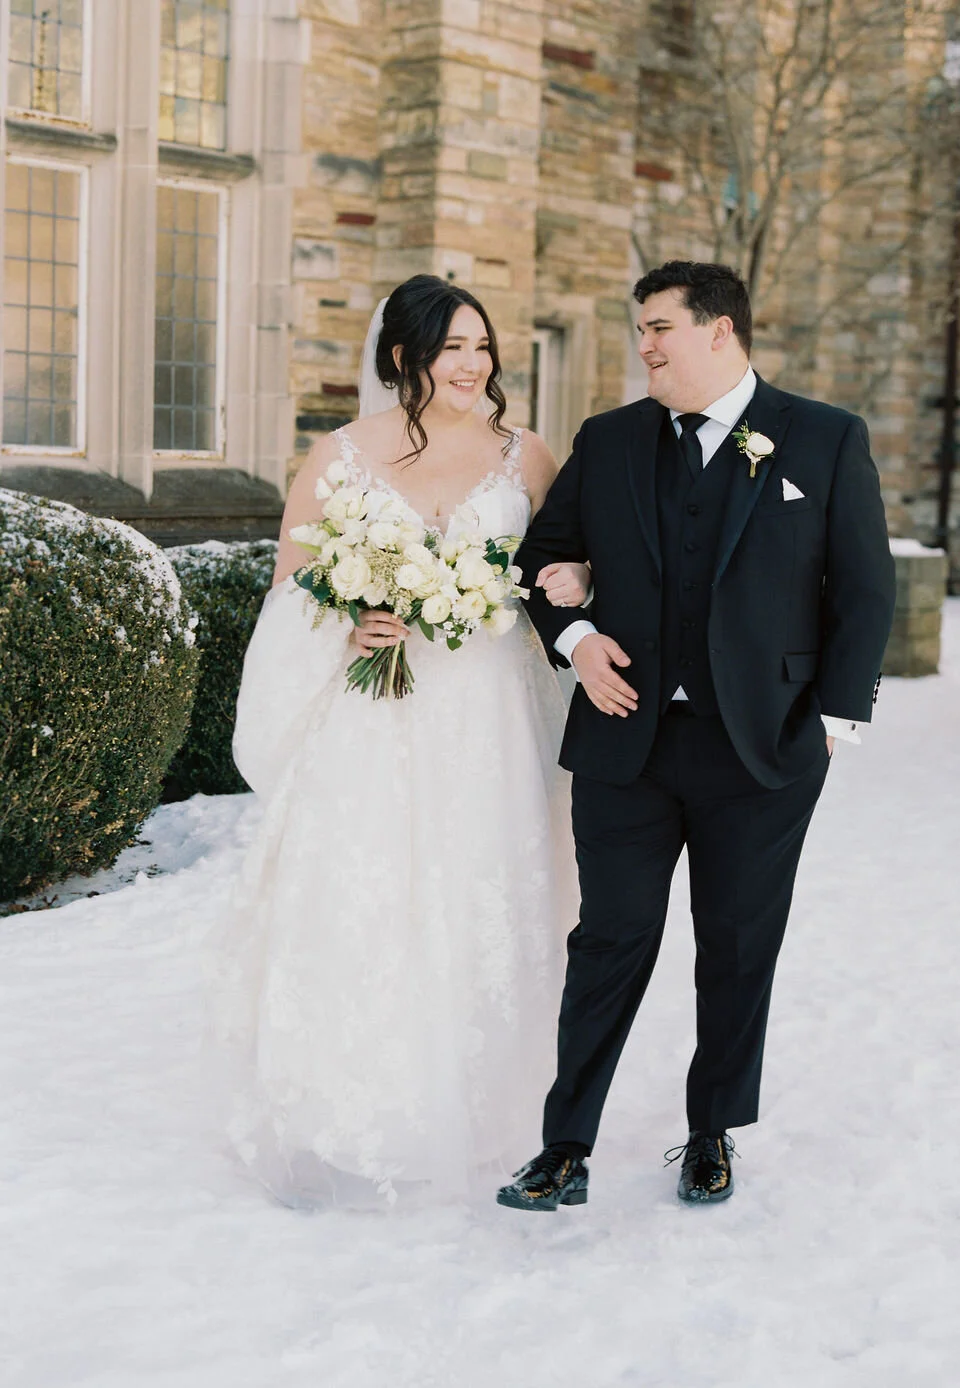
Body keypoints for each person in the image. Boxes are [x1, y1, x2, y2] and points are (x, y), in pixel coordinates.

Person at [499, 260, 896, 1211]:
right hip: (623, 744)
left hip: (763, 748)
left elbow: (866, 585)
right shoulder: (611, 440)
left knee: (736, 943)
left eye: (660, 329)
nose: (646, 346)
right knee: (610, 938)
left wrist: (834, 719)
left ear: (721, 332)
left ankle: (712, 1130)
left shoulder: (825, 439)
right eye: (640, 329)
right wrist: (580, 642)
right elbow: (541, 558)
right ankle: (565, 1143)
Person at [209, 275, 588, 1206]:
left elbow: (567, 559)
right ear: (401, 359)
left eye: (480, 346)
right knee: (369, 896)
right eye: (451, 347)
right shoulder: (339, 454)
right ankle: (360, 1107)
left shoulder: (525, 453)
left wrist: (570, 575)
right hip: (375, 721)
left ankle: (491, 1104)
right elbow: (292, 582)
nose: (472, 365)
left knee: (483, 890)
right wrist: (346, 620)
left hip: (492, 714)